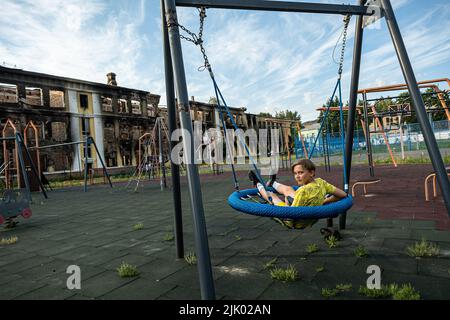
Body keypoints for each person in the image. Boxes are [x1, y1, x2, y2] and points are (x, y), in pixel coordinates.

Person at [249, 159, 347, 230]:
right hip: (307, 210)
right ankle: (272, 183)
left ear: (311, 172)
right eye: (295, 173)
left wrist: (287, 202)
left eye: (300, 173)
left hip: (297, 222)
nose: (297, 176)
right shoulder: (321, 182)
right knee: (289, 189)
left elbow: (291, 216)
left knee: (271, 195)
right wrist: (323, 201)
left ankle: (258, 184)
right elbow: (342, 194)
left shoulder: (302, 191)